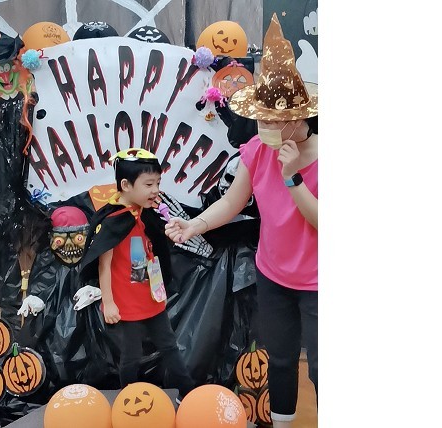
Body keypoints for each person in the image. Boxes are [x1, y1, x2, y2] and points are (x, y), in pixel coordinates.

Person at [165, 13, 317, 427]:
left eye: (271, 119)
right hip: (274, 276)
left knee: (323, 367)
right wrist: (195, 225)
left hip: (318, 281)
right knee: (280, 360)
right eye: (260, 117)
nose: (263, 125)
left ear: (297, 118)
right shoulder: (257, 150)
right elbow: (233, 202)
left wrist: (293, 179)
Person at [79, 148, 195, 404]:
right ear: (126, 185)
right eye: (149, 184)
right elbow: (103, 265)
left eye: (158, 183)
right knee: (131, 355)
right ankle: (128, 401)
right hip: (126, 303)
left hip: (150, 295)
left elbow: (147, 250)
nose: (155, 190)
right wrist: (108, 302)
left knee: (169, 345)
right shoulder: (113, 220)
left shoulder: (142, 211)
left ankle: (188, 393)